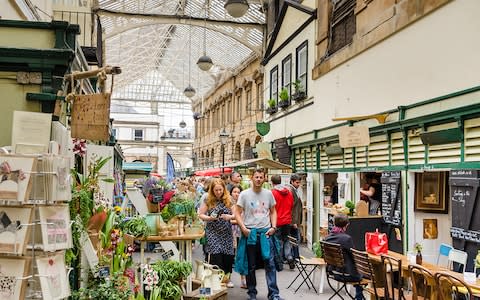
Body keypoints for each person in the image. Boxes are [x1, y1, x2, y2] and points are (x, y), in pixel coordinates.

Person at [235, 168, 283, 300]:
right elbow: (237, 212)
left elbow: (273, 211)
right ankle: (252, 293)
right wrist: (243, 228)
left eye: (261, 177)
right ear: (252, 178)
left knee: (270, 264)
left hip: (266, 234)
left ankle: (274, 294)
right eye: (256, 177)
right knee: (251, 265)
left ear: (264, 178)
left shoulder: (268, 194)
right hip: (250, 234)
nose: (258, 179)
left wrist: (274, 226)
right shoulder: (244, 194)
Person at [198, 178, 235, 288]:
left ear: (224, 189)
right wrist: (210, 218)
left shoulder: (229, 200)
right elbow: (201, 214)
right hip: (213, 233)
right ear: (212, 190)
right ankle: (215, 279)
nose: (219, 192)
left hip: (226, 233)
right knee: (215, 256)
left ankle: (227, 279)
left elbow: (236, 214)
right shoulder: (208, 200)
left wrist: (230, 217)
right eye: (216, 190)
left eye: (220, 190)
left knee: (228, 257)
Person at [324, 214, 365, 300]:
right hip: (346, 275)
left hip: (333, 273)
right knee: (366, 273)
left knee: (359, 271)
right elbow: (354, 257)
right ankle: (359, 297)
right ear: (346, 225)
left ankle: (359, 297)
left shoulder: (327, 238)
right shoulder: (346, 239)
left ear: (334, 223)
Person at [270, 174, 294, 269]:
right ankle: (289, 256)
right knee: (286, 240)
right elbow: (291, 205)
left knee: (278, 241)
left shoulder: (272, 193)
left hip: (277, 221)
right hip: (287, 220)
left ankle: (279, 263)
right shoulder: (289, 193)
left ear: (272, 182)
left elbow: (270, 208)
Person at [228, 184, 247, 289]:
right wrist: (238, 221)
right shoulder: (227, 204)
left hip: (241, 233)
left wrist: (233, 220)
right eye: (234, 192)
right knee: (230, 257)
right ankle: (228, 278)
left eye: (238, 192)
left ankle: (243, 280)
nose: (236, 194)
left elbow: (244, 219)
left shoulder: (243, 204)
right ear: (231, 193)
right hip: (229, 234)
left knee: (242, 256)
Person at [287, 173, 302, 260]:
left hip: (295, 220)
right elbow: (291, 208)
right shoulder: (291, 191)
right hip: (293, 221)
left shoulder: (294, 190)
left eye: (299, 182)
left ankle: (294, 256)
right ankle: (294, 257)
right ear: (292, 181)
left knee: (294, 239)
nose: (299, 184)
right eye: (297, 182)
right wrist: (293, 222)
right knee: (295, 239)